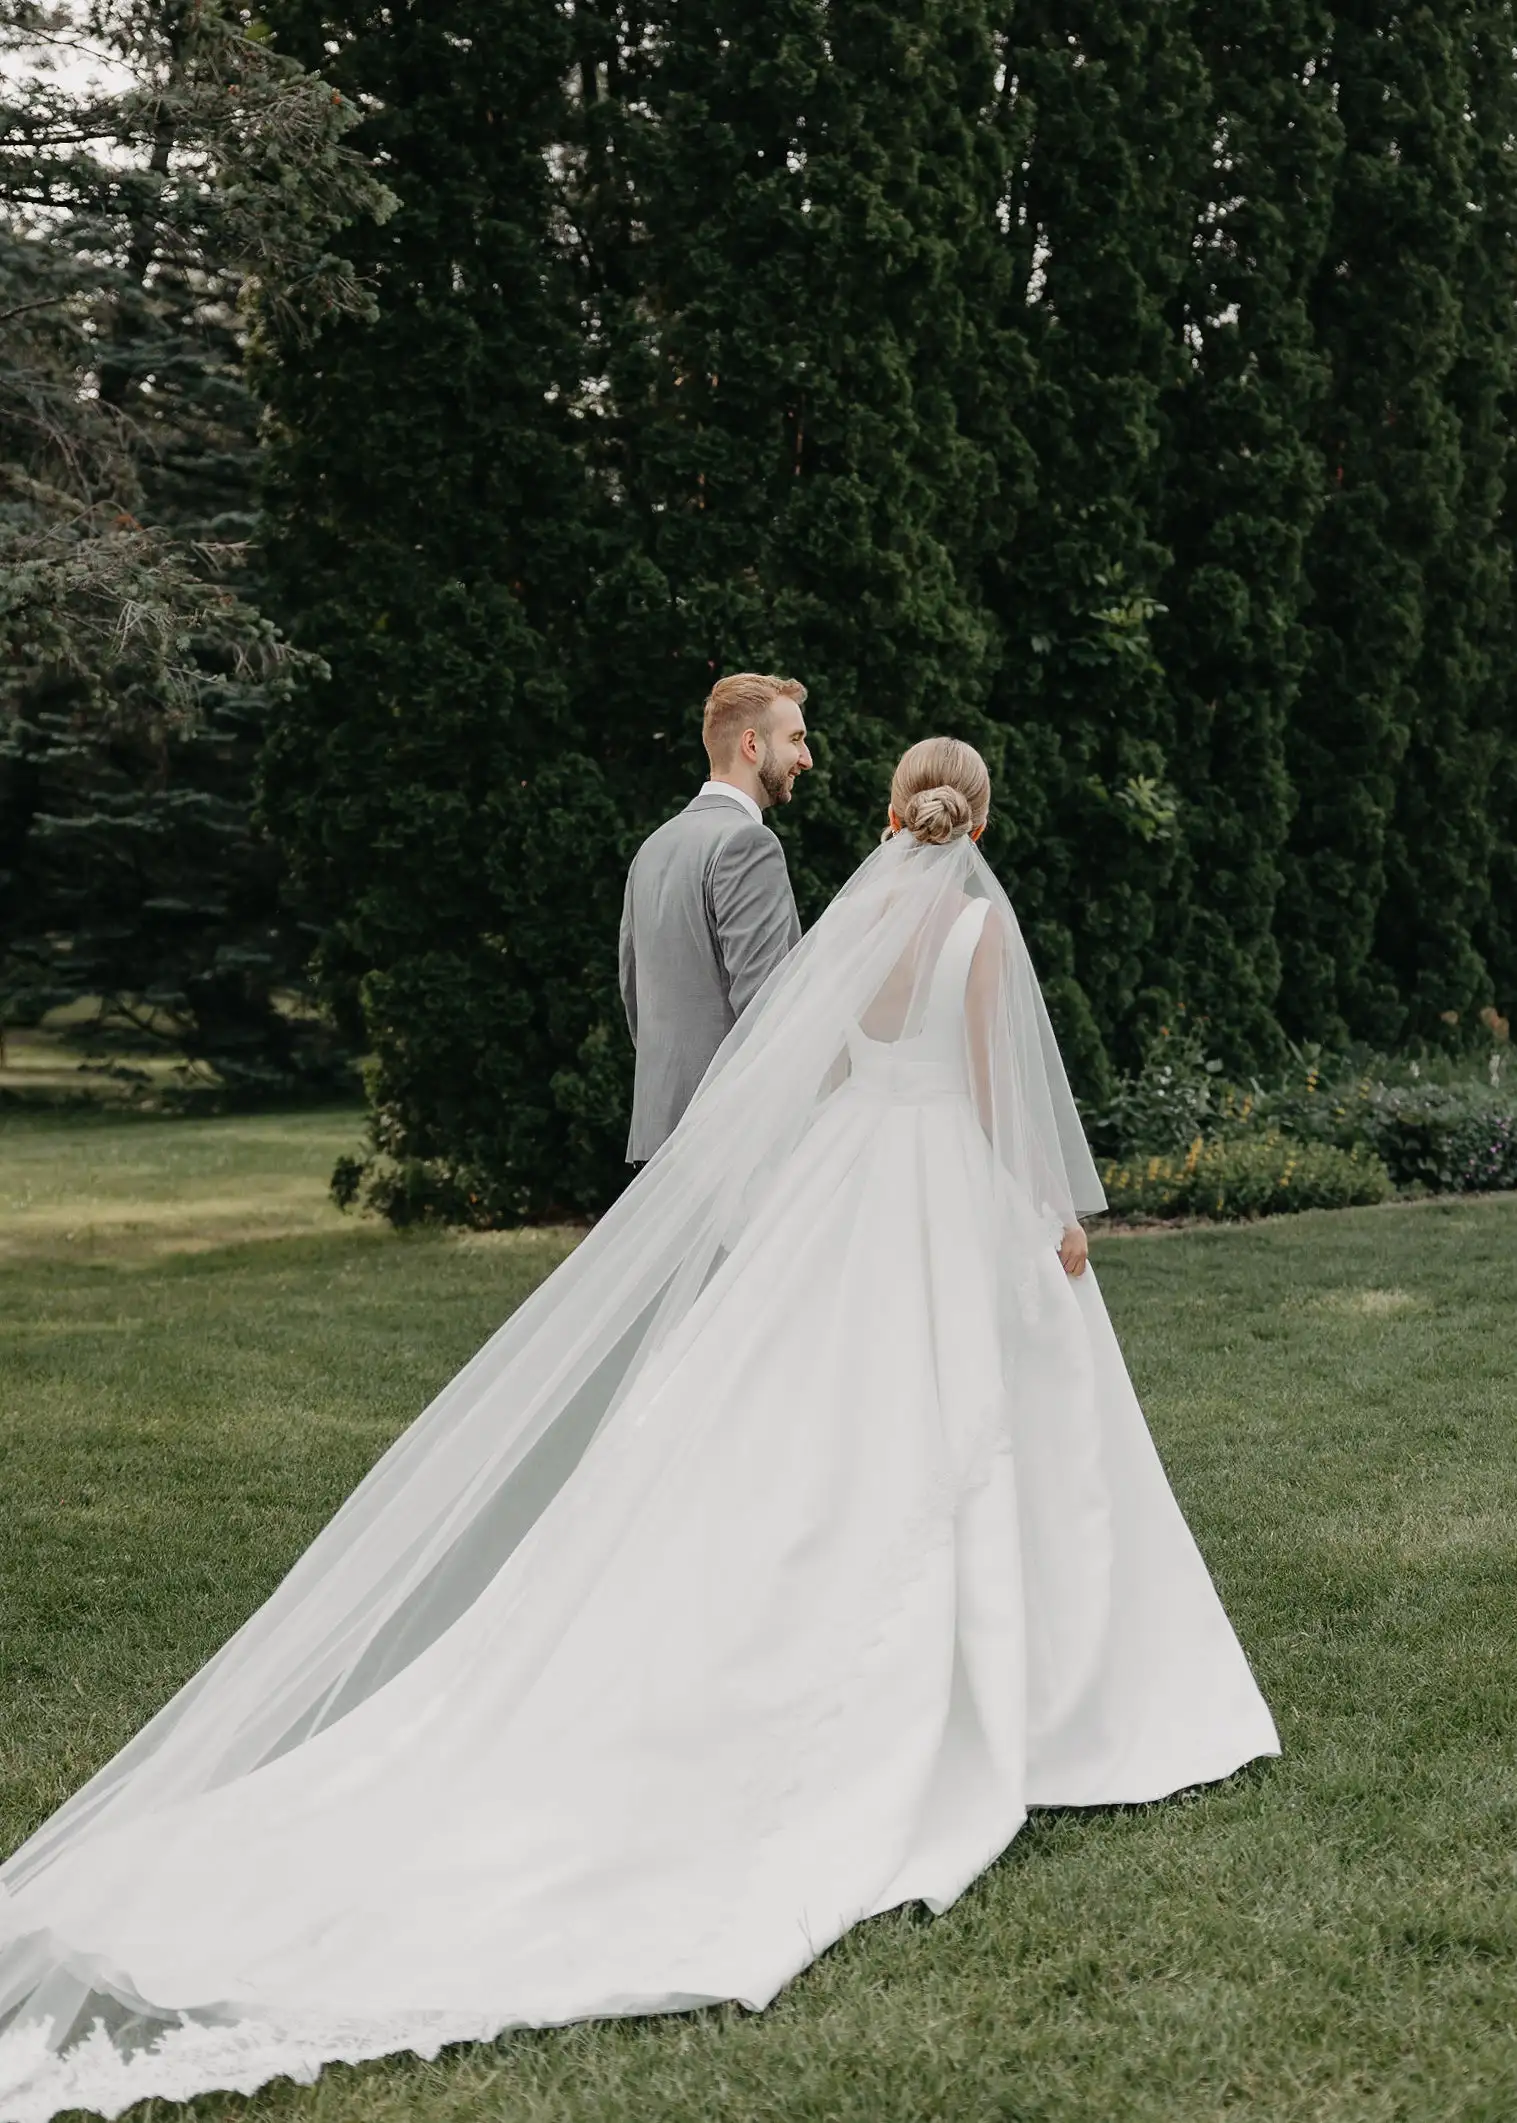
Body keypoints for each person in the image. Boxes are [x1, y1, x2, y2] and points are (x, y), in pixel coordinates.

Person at [0, 738, 1278, 2123]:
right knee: (982, 1413)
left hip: (846, 1188)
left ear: (892, 808)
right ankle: (1033, 1685)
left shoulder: (854, 924)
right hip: (936, 1185)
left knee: (803, 1419)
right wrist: (1049, 1215)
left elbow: (816, 1075)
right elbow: (992, 1093)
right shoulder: (977, 930)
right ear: (980, 818)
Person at [620, 671, 811, 1162]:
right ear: (752, 745)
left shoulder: (653, 847)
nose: (806, 759)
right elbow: (766, 1007)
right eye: (795, 739)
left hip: (658, 1137)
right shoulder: (749, 843)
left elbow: (635, 998)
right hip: (728, 1143)